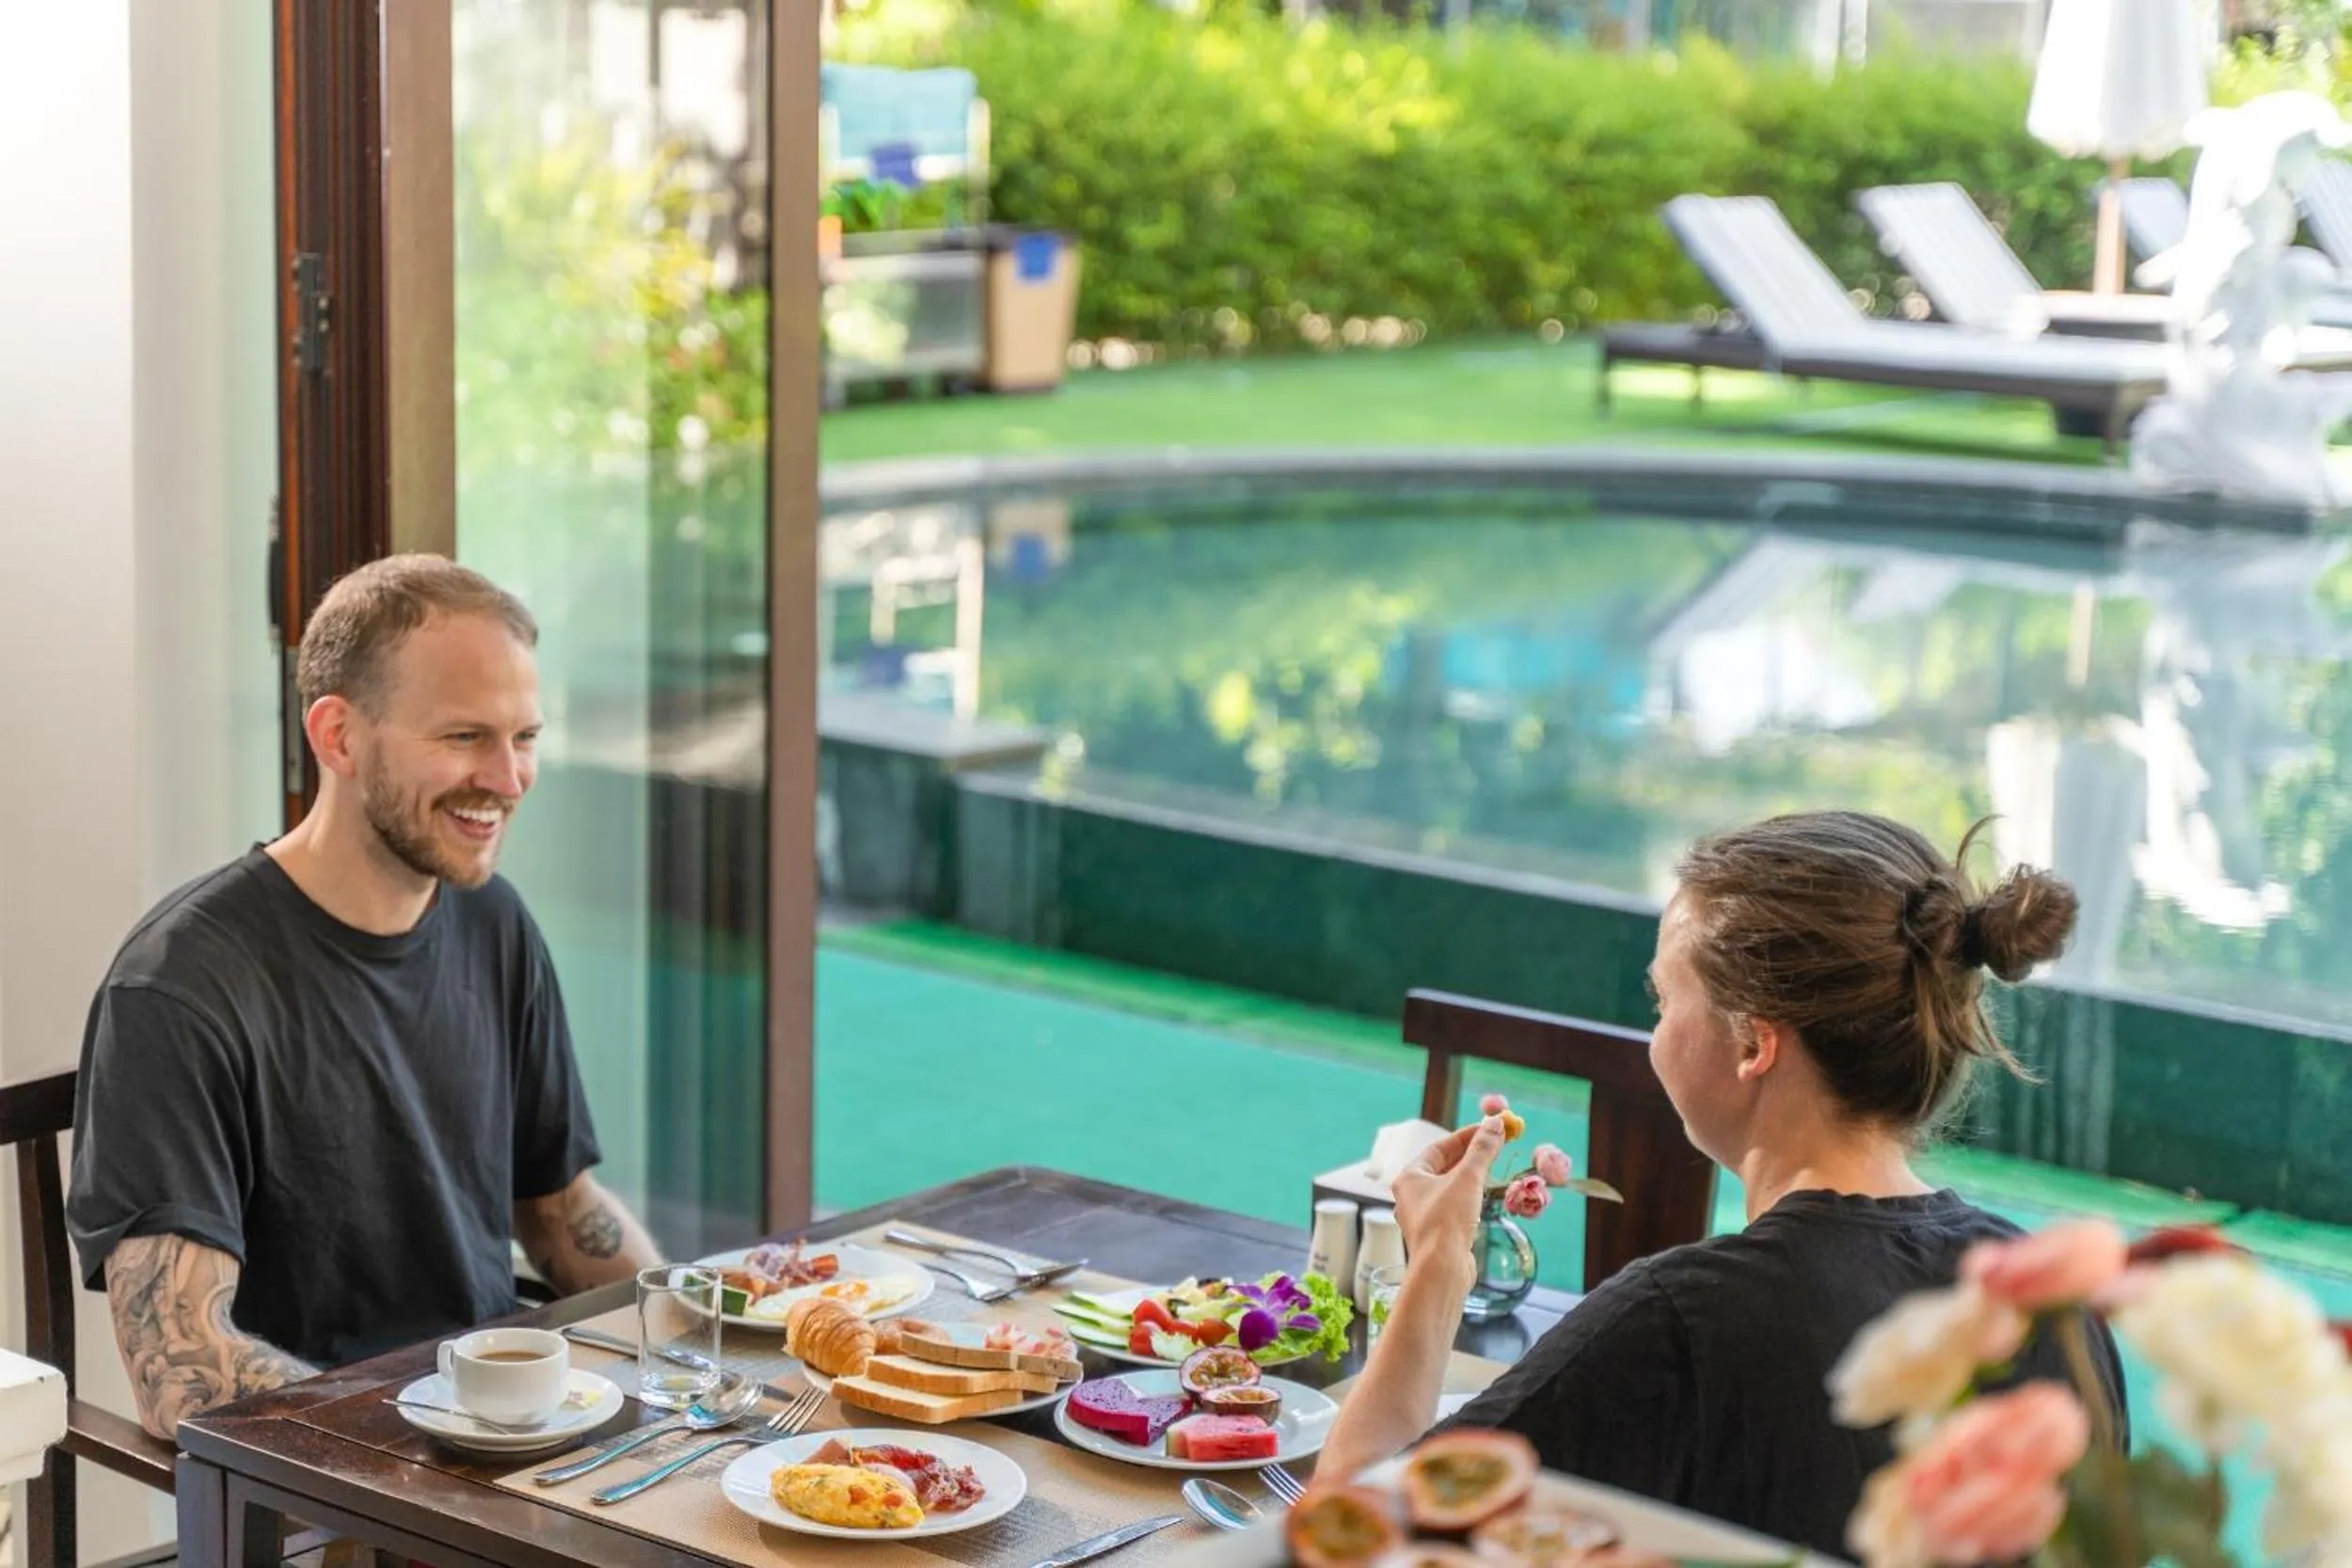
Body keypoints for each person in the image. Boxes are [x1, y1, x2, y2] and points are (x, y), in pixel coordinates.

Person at [1315, 810, 2127, 1557]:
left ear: (1752, 1045)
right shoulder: (2051, 1303)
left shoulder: (1682, 1320)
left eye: (1664, 999)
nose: (1655, 1032)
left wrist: (1438, 1265)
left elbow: (1347, 1537)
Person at [68, 554, 664, 1440]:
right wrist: (432, 1434)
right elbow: (183, 1380)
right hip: (324, 1495)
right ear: (339, 736)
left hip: (511, 1450)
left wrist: (708, 1329)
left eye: (525, 737)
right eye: (465, 737)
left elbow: (561, 1210)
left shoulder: (491, 919)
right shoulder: (180, 985)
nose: (508, 779)